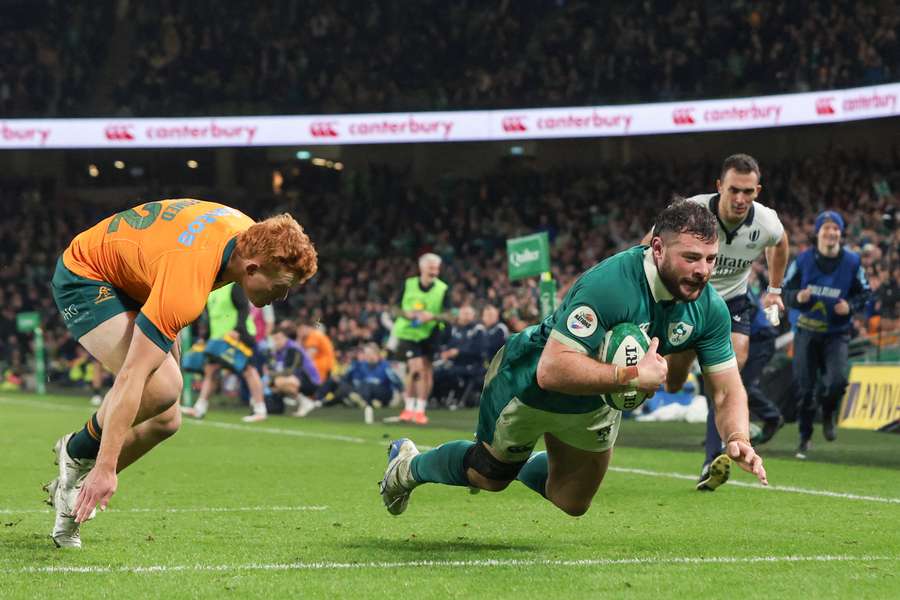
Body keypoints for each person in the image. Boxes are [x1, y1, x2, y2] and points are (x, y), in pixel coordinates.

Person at [380, 201, 767, 518]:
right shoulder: (612, 284)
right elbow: (553, 369)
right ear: (658, 249)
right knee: (489, 476)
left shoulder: (709, 307)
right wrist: (632, 373)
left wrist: (737, 437)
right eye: (691, 258)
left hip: (595, 398)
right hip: (529, 380)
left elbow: (727, 388)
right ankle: (409, 465)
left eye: (711, 259)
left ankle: (521, 458)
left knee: (572, 502)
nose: (702, 271)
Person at [44, 199, 317, 548]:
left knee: (167, 421)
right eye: (282, 286)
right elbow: (131, 376)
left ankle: (74, 483)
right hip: (88, 274)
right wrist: (107, 466)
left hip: (143, 276)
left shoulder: (248, 235)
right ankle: (77, 453)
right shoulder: (190, 280)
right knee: (163, 387)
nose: (283, 297)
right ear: (251, 269)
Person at [642, 153, 788, 491]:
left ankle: (716, 445)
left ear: (758, 191)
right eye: (734, 190)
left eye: (749, 192)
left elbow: (780, 244)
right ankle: (690, 365)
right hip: (685, 300)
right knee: (673, 382)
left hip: (731, 303)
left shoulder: (766, 222)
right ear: (719, 186)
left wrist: (775, 290)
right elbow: (648, 246)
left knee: (730, 366)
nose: (741, 199)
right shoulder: (691, 213)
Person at [784, 210, 871, 459]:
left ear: (841, 234)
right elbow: (786, 290)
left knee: (836, 381)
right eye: (826, 228)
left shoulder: (852, 262)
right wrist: (796, 298)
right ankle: (804, 438)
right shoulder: (802, 261)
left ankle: (829, 413)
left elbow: (865, 293)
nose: (831, 232)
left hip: (837, 334)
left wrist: (850, 307)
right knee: (805, 389)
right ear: (818, 233)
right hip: (806, 332)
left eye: (836, 228)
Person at [180, 282, 269, 423]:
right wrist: (205, 338)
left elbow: (244, 310)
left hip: (239, 336)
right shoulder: (210, 291)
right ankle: (200, 408)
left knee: (248, 370)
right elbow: (211, 318)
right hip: (218, 340)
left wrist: (238, 330)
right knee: (211, 371)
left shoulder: (234, 286)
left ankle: (260, 410)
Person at [389, 253, 451, 425]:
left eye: (436, 268)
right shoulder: (408, 285)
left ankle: (420, 410)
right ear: (422, 268)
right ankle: (409, 407)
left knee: (426, 371)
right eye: (431, 268)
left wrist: (432, 316)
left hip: (431, 334)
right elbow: (393, 309)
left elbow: (449, 315)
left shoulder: (442, 288)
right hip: (410, 334)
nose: (434, 272)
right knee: (415, 367)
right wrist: (406, 313)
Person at [741, 291, 784, 445]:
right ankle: (722, 431)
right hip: (751, 339)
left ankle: (772, 417)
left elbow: (749, 309)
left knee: (741, 386)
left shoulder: (737, 287)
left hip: (760, 339)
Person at [266, 324, 321, 417]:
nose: (276, 342)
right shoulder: (277, 351)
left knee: (276, 382)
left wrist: (270, 374)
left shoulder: (293, 349)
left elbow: (290, 371)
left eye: (278, 338)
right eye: (274, 339)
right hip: (297, 379)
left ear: (285, 338)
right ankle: (304, 402)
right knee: (273, 384)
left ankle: (306, 402)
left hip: (311, 381)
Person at [297, 322, 336, 390]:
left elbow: (307, 357)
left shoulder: (314, 335)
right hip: (325, 369)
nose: (299, 332)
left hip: (318, 370)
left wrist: (299, 338)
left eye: (300, 329)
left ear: (306, 327)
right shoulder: (316, 335)